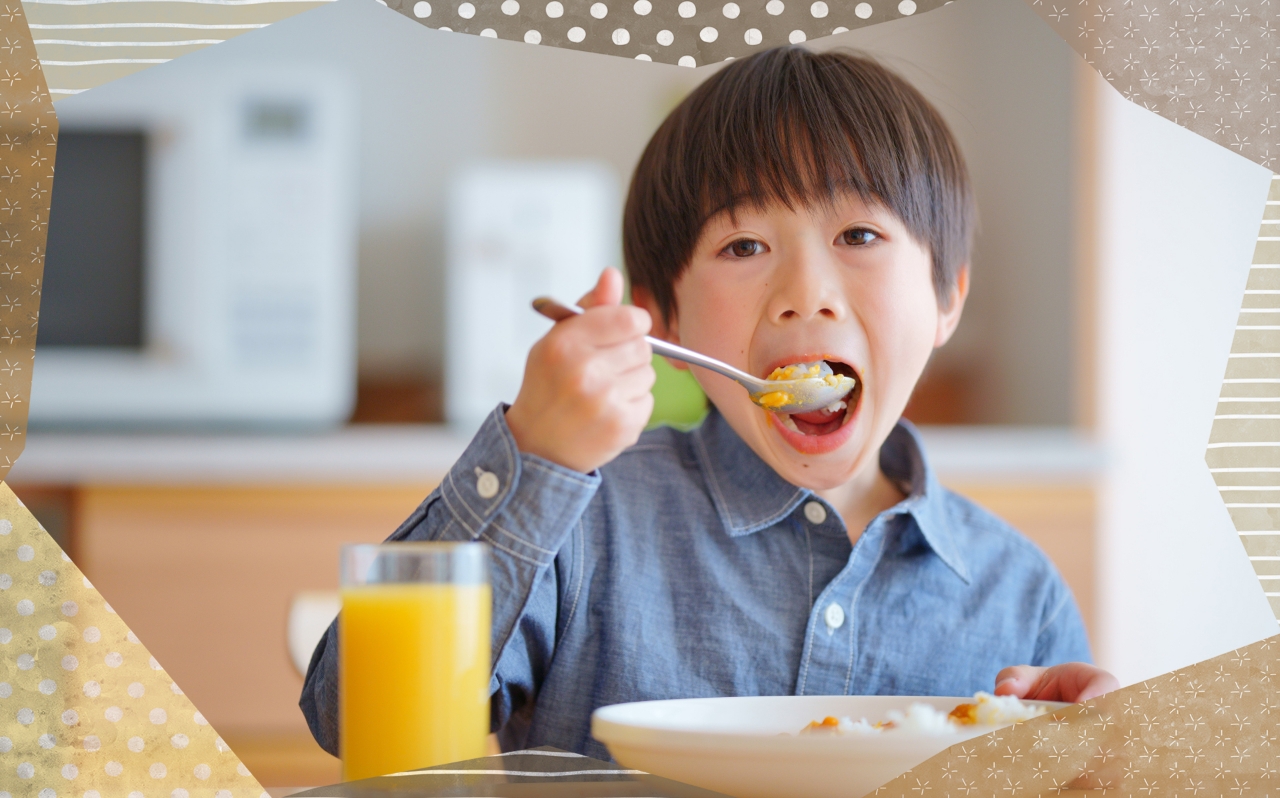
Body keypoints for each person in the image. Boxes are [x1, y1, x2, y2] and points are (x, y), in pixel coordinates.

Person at [301, 45, 1118, 761]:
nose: (806, 295)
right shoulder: (583, 523)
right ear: (664, 320)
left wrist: (1075, 761)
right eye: (744, 245)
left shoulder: (1020, 596)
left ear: (948, 296)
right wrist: (536, 455)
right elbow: (355, 713)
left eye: (859, 236)